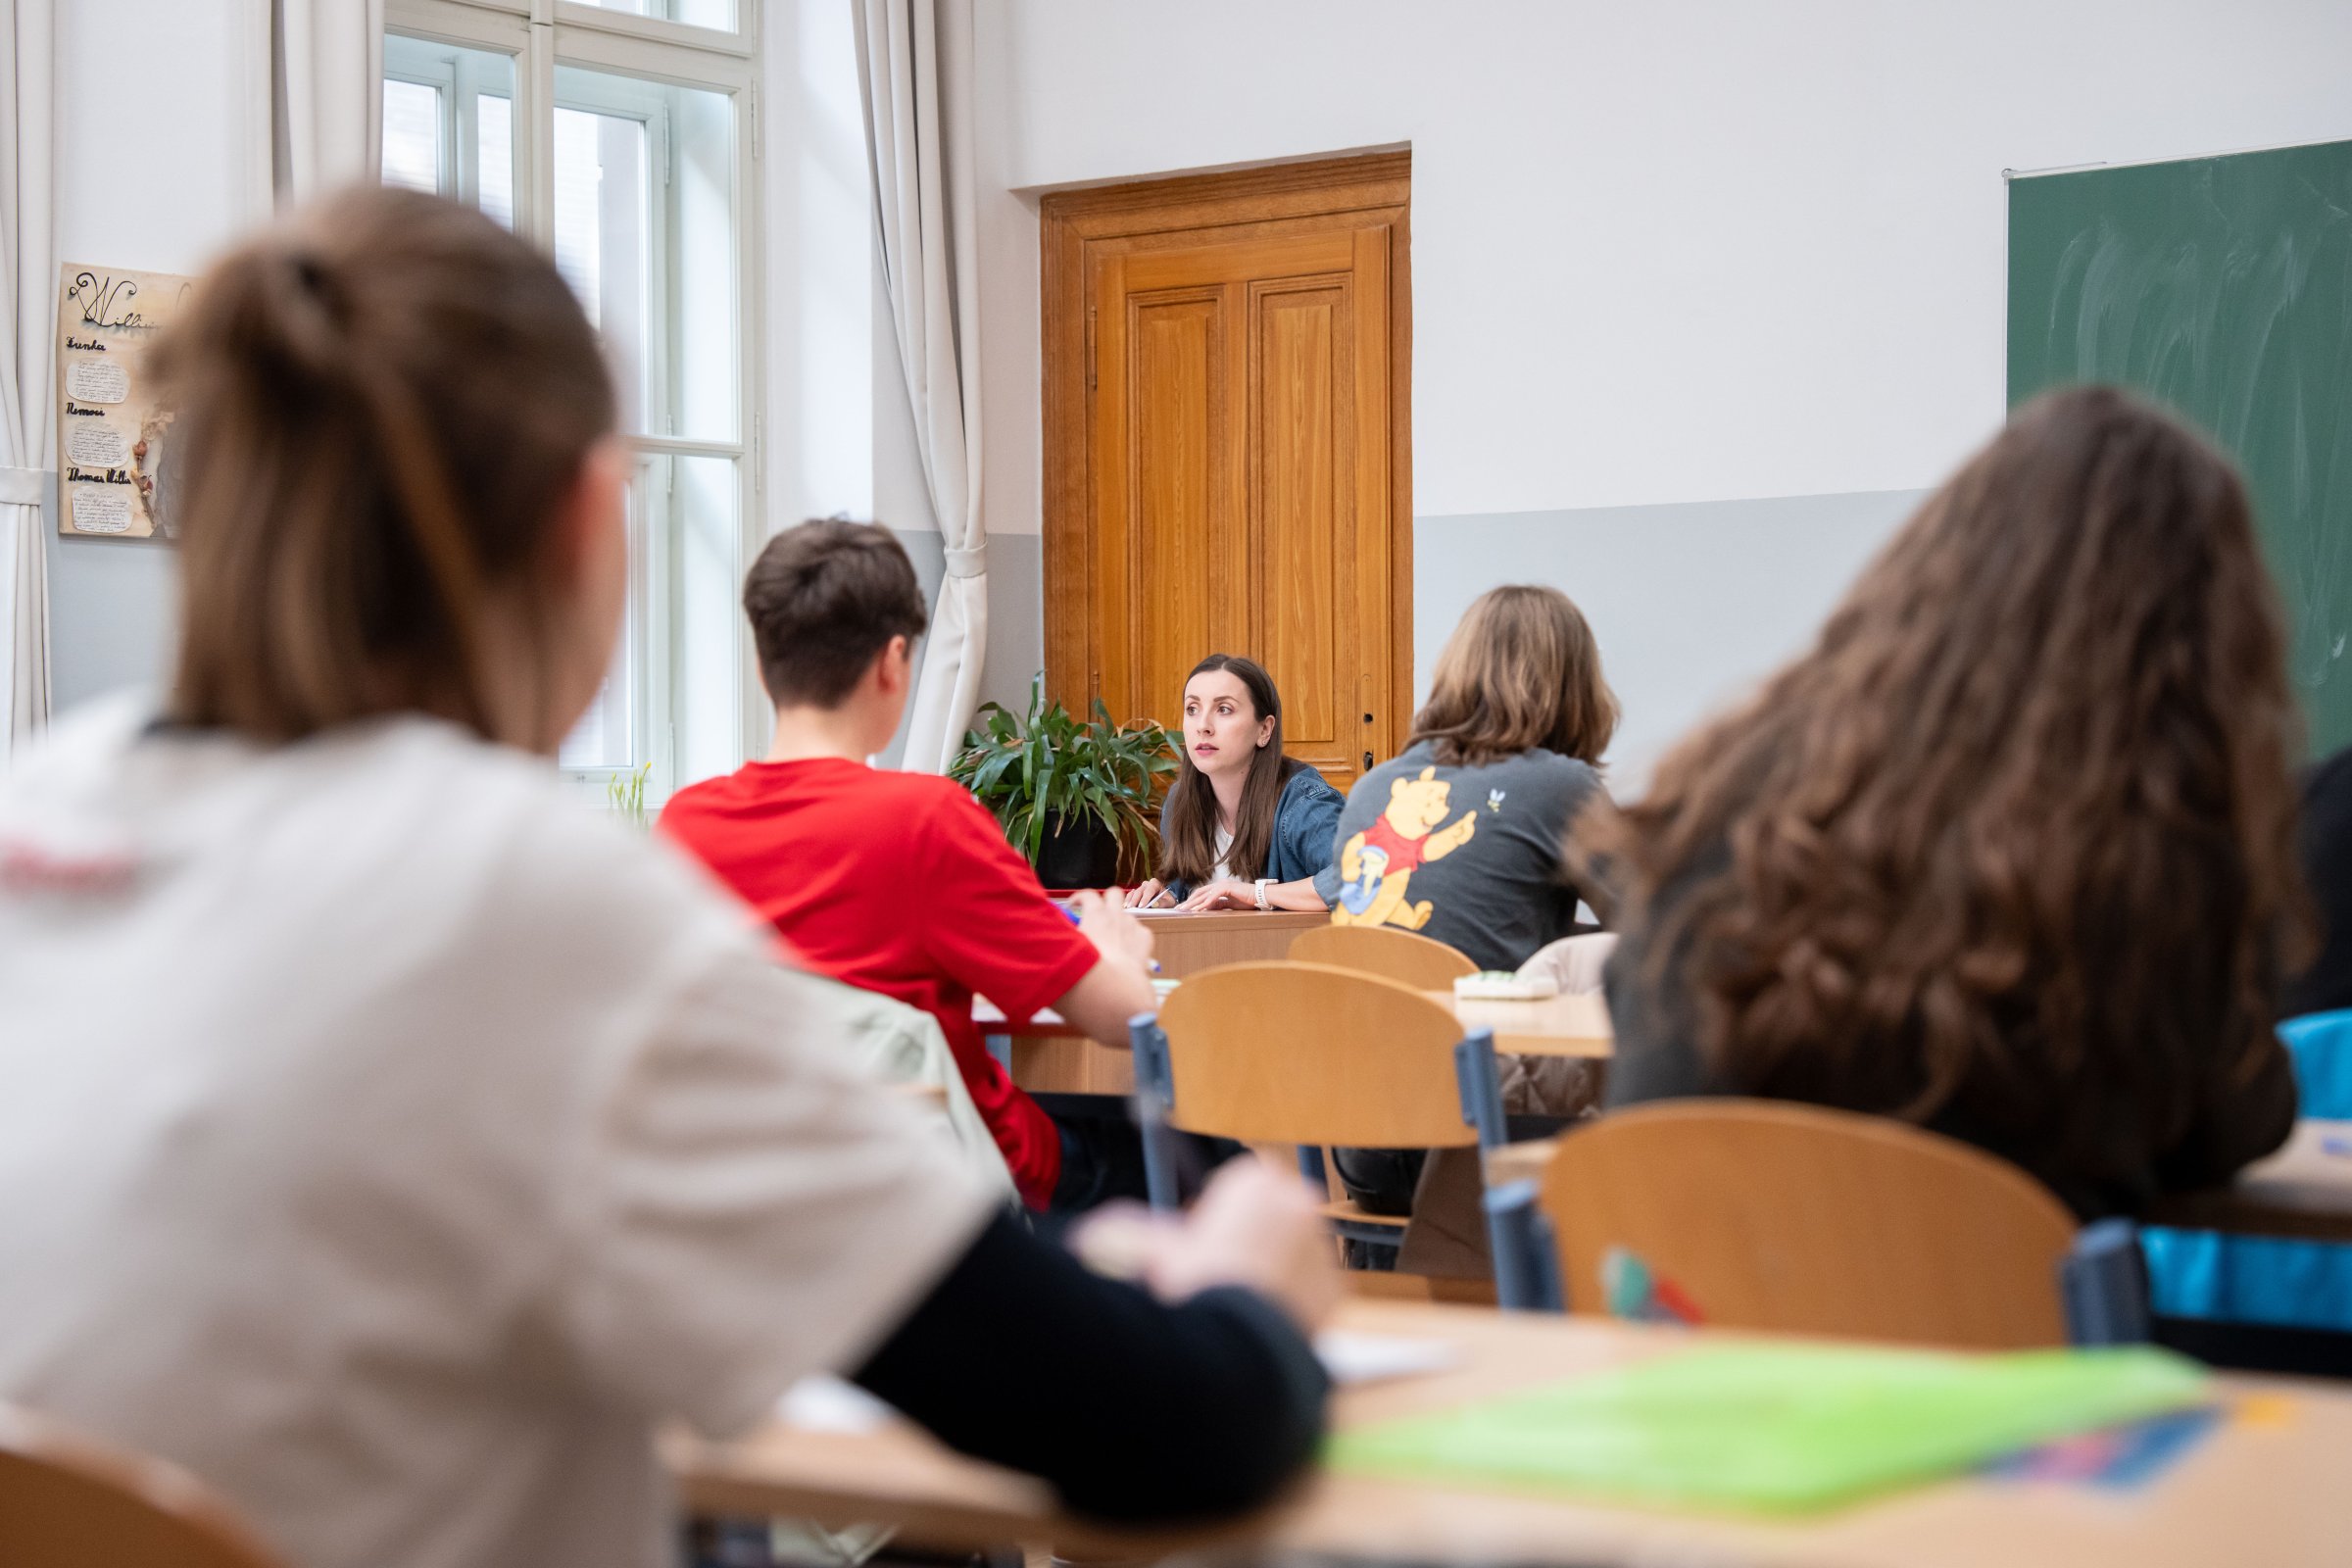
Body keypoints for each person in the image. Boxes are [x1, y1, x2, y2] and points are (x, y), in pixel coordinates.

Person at [0, 187, 1335, 1568]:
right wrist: (1250, 1275)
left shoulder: (40, 811)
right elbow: (1164, 1427)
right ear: (586, 521)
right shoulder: (520, 900)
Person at [1592, 385, 2302, 1221]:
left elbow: (1637, 1020)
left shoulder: (1726, 802)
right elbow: (2238, 1122)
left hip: (1670, 1293)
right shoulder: (2150, 881)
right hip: (1997, 1306)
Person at [659, 520, 1170, 1214]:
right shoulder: (926, 820)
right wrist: (1117, 950)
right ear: (892, 662)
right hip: (949, 1182)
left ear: (761, 665)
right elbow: (1122, 1016)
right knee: (1219, 1162)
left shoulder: (685, 825)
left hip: (765, 1185)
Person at [1324, 585, 1620, 1228]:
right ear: (1574, 684)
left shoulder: (1373, 788)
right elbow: (1657, 928)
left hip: (1359, 1143)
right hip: (1482, 1142)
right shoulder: (1563, 786)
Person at [1126, 655, 1344, 911]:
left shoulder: (1303, 802)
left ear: (1264, 730)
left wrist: (1257, 894)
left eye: (1224, 709)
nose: (1203, 726)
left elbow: (1365, 878)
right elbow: (1190, 891)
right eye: (1192, 709)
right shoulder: (1178, 802)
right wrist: (1168, 895)